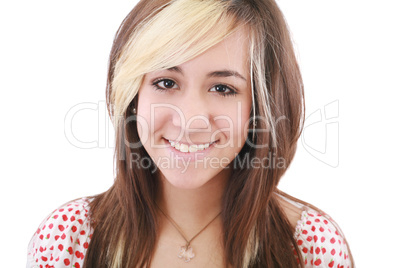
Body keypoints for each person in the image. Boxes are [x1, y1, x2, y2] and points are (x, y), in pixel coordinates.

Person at [27, 0, 354, 267]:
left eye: (223, 88)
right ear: (132, 96)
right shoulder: (69, 240)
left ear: (261, 107)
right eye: (166, 83)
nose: (191, 121)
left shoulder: (310, 247)